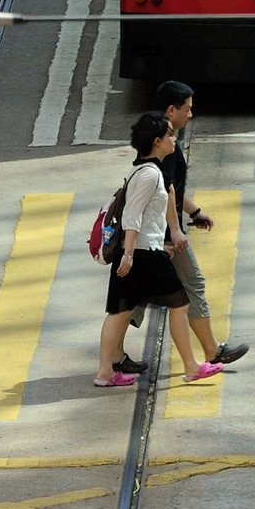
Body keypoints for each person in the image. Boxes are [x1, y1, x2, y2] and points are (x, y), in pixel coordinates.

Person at [116, 83, 249, 375]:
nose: (191, 114)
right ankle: (211, 352)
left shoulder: (157, 141)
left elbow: (170, 191)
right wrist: (175, 232)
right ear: (171, 110)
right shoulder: (165, 146)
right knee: (192, 286)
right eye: (187, 108)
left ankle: (113, 356)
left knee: (133, 298)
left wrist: (194, 211)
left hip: (154, 235)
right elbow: (167, 191)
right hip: (162, 238)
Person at [95, 112, 225, 387]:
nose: (173, 139)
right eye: (169, 135)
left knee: (119, 312)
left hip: (142, 251)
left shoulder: (141, 170)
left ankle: (105, 373)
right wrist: (129, 254)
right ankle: (191, 367)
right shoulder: (149, 174)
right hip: (141, 254)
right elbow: (132, 216)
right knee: (179, 304)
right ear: (156, 141)